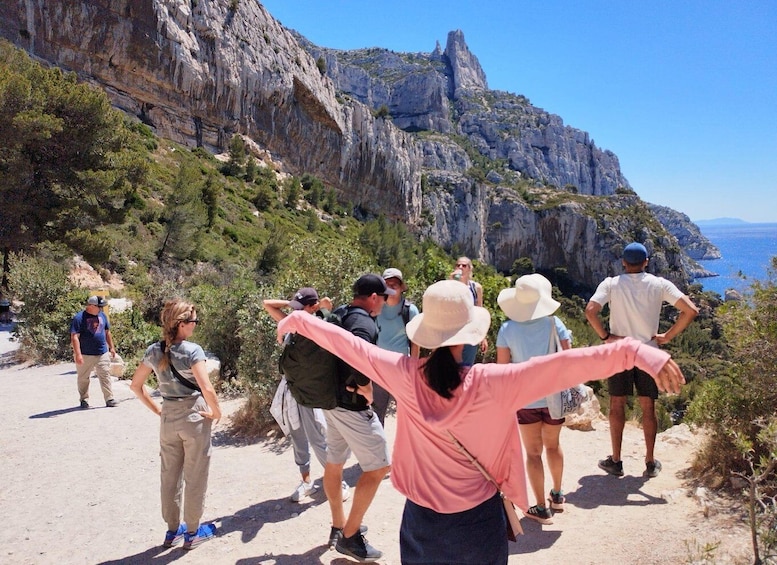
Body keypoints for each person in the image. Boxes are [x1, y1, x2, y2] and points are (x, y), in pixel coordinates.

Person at [277, 280, 685, 564]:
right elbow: (566, 365)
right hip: (478, 522)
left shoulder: (402, 374)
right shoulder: (493, 383)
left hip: (419, 523)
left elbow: (346, 345)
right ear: (469, 336)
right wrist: (639, 351)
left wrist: (300, 320)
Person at [586, 242, 699, 478]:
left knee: (617, 404)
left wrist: (606, 336)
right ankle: (649, 461)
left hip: (619, 351)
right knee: (648, 406)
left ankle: (616, 460)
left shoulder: (611, 284)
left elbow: (590, 310)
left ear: (624, 263)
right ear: (647, 261)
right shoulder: (659, 284)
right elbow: (691, 311)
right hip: (649, 353)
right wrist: (667, 336)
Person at [129, 299, 221, 550]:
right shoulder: (193, 351)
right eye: (193, 321)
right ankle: (192, 533)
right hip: (194, 416)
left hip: (168, 416)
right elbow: (206, 387)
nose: (195, 325)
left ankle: (172, 531)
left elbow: (136, 386)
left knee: (169, 475)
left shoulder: (154, 351)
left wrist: (159, 410)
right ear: (181, 324)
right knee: (195, 474)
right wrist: (216, 412)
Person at [317, 274, 395, 561]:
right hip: (351, 406)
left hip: (330, 402)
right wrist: (366, 385)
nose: (385, 304)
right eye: (384, 298)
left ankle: (338, 526)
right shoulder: (363, 321)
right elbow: (357, 356)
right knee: (379, 467)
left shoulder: (340, 312)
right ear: (374, 297)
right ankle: (349, 537)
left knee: (335, 463)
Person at [263, 288, 351, 504]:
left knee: (318, 439)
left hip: (312, 393)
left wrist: (320, 309)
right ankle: (307, 482)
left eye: (303, 307)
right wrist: (294, 304)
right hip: (292, 392)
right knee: (298, 438)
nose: (298, 312)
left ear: (313, 307)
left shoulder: (319, 328)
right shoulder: (292, 324)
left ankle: (339, 482)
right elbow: (268, 304)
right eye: (296, 308)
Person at [496, 274, 572, 524]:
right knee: (553, 445)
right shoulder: (554, 323)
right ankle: (558, 495)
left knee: (533, 453)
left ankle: (541, 507)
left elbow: (503, 368)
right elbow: (569, 357)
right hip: (554, 398)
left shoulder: (507, 329)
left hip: (525, 400)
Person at [374, 268, 420, 427]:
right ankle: (379, 449)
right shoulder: (376, 307)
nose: (392, 287)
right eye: (388, 284)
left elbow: (416, 341)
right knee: (377, 412)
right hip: (380, 368)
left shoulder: (410, 310)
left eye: (395, 284)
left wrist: (413, 368)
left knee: (406, 412)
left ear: (401, 287)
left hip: (402, 368)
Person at [70, 295, 118, 409]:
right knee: (83, 378)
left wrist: (111, 347)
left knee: (105, 375)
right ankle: (84, 399)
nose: (101, 309)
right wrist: (78, 354)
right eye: (99, 307)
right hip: (86, 354)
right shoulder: (79, 318)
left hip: (102, 352)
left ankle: (109, 398)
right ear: (91, 306)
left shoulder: (102, 316)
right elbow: (74, 337)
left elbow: (107, 332)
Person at [450, 256, 487, 365]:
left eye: (464, 265)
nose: (460, 267)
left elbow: (480, 312)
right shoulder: (450, 285)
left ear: (470, 269)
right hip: (453, 332)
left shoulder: (476, 288)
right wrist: (451, 283)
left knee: (466, 367)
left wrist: (483, 336)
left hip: (470, 332)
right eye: (458, 265)